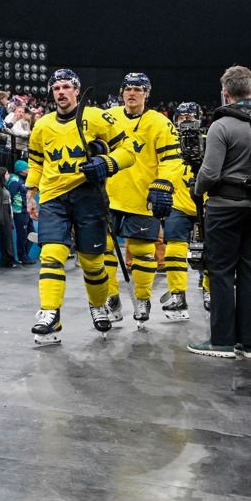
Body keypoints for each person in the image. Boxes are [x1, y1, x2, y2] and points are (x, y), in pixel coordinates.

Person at [25, 70, 136, 344]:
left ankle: (98, 305)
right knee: (51, 254)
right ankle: (50, 313)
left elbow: (128, 150)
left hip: (90, 196)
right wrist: (31, 193)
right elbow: (36, 162)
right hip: (53, 197)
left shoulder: (98, 117)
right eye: (56, 88)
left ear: (77, 90)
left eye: (66, 87)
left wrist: (106, 163)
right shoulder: (41, 125)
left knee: (92, 263)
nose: (60, 92)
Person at [191, 66, 251, 360]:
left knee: (220, 273)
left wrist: (196, 189)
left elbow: (210, 172)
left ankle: (222, 341)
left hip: (223, 208)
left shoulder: (222, 125)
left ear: (225, 93)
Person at [99, 73, 184, 327]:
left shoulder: (160, 122)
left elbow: (172, 160)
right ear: (121, 92)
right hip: (109, 196)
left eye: (138, 89)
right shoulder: (108, 117)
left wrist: (164, 184)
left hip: (143, 197)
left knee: (144, 253)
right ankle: (111, 297)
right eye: (127, 88)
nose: (131, 93)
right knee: (102, 250)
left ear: (147, 94)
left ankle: (143, 298)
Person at [158, 101, 204, 320]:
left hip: (206, 204)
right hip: (178, 203)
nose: (186, 123)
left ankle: (210, 291)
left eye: (190, 118)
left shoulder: (210, 142)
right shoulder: (168, 144)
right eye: (182, 119)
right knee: (173, 249)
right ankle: (177, 295)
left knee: (211, 251)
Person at [0, 167, 17, 268]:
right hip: (3, 212)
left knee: (8, 236)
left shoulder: (3, 186)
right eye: (7, 174)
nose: (8, 176)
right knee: (6, 237)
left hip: (7, 212)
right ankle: (8, 259)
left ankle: (7, 259)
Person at [10, 160, 34, 264]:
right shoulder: (15, 181)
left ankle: (25, 255)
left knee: (32, 233)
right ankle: (22, 257)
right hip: (19, 212)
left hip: (26, 211)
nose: (29, 170)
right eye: (27, 168)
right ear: (21, 170)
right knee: (22, 235)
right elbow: (10, 197)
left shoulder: (25, 181)